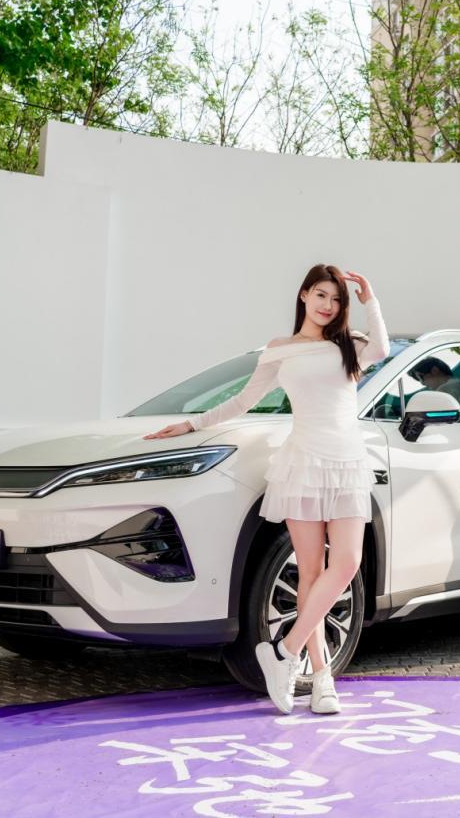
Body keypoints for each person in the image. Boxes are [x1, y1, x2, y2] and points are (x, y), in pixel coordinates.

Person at [144, 264, 389, 714]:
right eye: (321, 295)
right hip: (304, 463)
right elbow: (242, 401)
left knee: (347, 563)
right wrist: (190, 424)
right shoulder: (280, 350)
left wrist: (370, 298)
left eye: (336, 299)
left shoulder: (350, 344)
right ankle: (322, 679)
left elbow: (384, 348)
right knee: (310, 573)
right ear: (303, 295)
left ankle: (283, 650)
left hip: (348, 464)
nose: (328, 305)